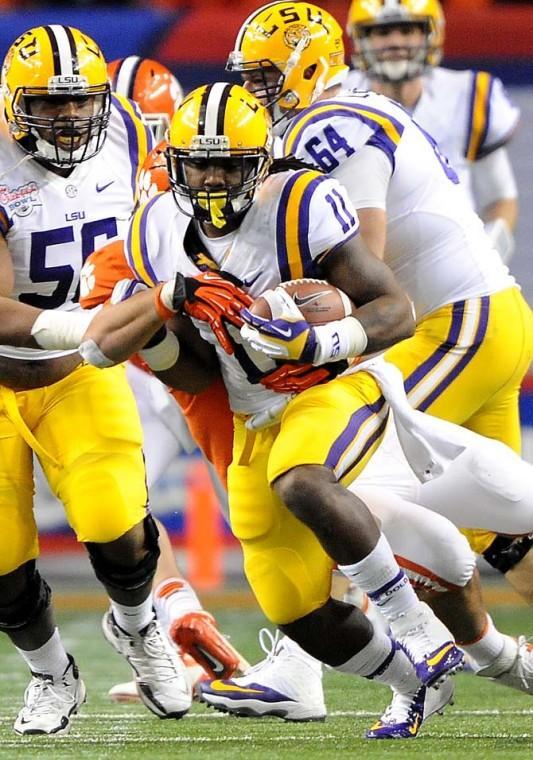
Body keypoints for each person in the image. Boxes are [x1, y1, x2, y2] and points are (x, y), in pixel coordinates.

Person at [70, 81, 471, 740]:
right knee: (294, 608)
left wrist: (318, 340)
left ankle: (419, 631)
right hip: (249, 406)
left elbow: (392, 308)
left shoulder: (302, 202)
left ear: (260, 161)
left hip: (330, 383)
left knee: (301, 480)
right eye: (198, 162)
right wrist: (166, 320)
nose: (210, 177)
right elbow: (140, 359)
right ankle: (412, 682)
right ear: (174, 163)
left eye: (228, 163)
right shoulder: (157, 231)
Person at [226, 0, 533, 601]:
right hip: (482, 318)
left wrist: (295, 319)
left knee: (335, 471)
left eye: (264, 74)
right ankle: (466, 660)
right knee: (503, 528)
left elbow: (364, 249)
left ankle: (302, 662)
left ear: (308, 68)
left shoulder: (327, 122)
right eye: (247, 75)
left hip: (453, 324)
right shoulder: (340, 111)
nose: (251, 88)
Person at [0, 25, 192, 736]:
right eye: (49, 105)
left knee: (114, 515)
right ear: (15, 104)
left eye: (80, 101)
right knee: (1, 557)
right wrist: (85, 325)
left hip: (81, 371)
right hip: (20, 364)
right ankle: (52, 674)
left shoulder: (134, 142)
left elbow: (170, 235)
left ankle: (140, 629)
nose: (69, 117)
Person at [99, 61, 251, 699]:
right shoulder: (80, 177)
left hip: (207, 366)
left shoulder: (207, 177)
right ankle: (178, 619)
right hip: (149, 360)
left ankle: (352, 633)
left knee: (264, 509)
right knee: (116, 504)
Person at [345, 0, 519, 264]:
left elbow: (500, 197)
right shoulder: (336, 102)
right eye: (382, 32)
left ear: (430, 33)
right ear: (360, 38)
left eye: (407, 31)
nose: (395, 42)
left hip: (454, 258)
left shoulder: (469, 94)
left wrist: (490, 249)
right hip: (365, 260)